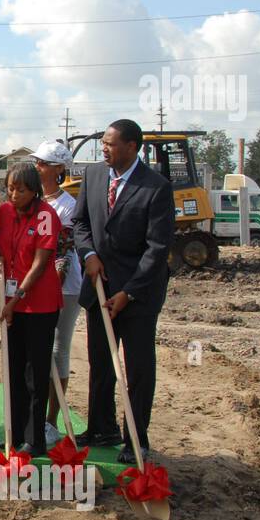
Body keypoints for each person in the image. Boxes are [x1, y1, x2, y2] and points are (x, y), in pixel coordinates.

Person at [71, 119, 175, 463]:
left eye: (110, 144)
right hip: (99, 288)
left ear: (132, 147)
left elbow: (157, 248)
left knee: (138, 368)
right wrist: (88, 255)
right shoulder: (95, 176)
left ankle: (135, 437)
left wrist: (128, 293)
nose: (104, 148)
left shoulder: (156, 187)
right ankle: (101, 427)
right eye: (103, 142)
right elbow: (81, 222)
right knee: (101, 363)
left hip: (138, 296)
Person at [0, 161, 63, 457]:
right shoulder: (4, 212)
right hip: (12, 304)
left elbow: (41, 262)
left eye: (20, 189)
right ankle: (16, 431)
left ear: (34, 190)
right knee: (14, 370)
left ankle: (35, 439)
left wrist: (17, 298)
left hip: (38, 304)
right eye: (9, 188)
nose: (13, 194)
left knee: (35, 372)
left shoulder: (46, 216)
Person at [32, 140, 83, 447]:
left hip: (64, 288)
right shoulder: (33, 201)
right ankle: (32, 415)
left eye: (43, 163)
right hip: (32, 286)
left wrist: (46, 284)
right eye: (37, 162)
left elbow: (62, 253)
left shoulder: (67, 206)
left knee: (56, 349)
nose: (37, 167)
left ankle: (51, 421)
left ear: (58, 169)